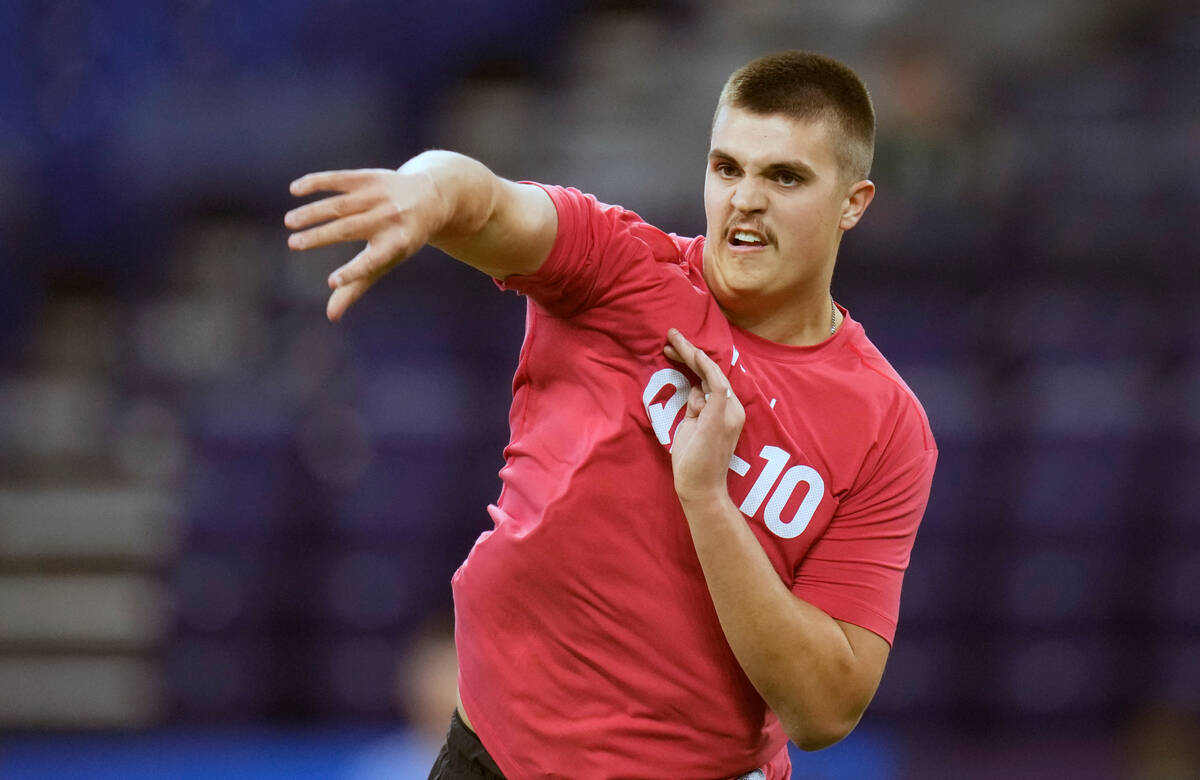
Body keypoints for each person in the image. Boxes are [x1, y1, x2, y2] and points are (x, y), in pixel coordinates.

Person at [285, 50, 936, 780]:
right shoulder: (623, 269)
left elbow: (825, 710)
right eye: (727, 168)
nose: (745, 199)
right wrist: (426, 191)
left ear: (854, 200)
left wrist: (707, 500)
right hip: (493, 754)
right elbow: (493, 202)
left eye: (785, 177)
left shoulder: (888, 428)